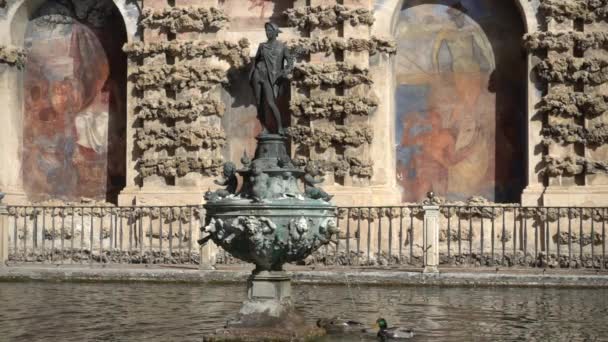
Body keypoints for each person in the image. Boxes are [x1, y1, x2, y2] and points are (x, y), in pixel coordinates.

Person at [249, 22, 294, 135]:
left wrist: (286, 71)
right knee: (259, 103)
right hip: (258, 74)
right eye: (266, 30)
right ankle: (264, 128)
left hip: (271, 77)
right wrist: (251, 74)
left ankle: (279, 127)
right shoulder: (262, 46)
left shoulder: (282, 46)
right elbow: (255, 61)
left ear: (275, 32)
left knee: (270, 102)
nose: (267, 32)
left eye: (269, 30)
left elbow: (290, 62)